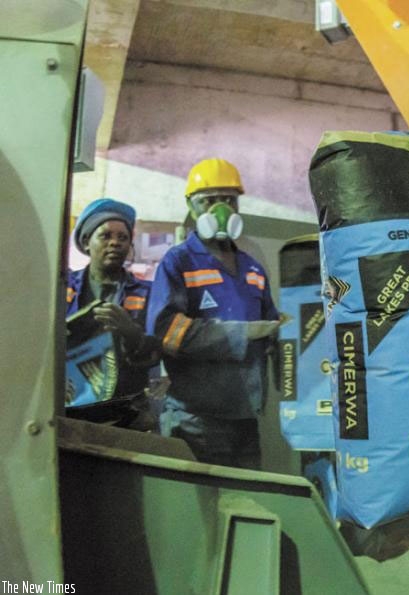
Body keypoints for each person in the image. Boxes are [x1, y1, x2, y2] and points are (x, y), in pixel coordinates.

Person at [146, 158, 281, 469]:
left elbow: (269, 326)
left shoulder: (252, 268)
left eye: (229, 200)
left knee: (247, 500)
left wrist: (280, 333)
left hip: (245, 415)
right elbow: (166, 331)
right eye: (209, 201)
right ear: (190, 206)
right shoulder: (179, 262)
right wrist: (241, 333)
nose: (221, 210)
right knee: (204, 508)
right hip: (198, 420)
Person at [66, 198, 161, 425]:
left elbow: (157, 352)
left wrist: (132, 334)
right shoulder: (63, 288)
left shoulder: (149, 293)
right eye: (105, 235)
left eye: (123, 237)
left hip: (128, 412)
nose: (115, 243)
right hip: (70, 406)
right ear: (87, 241)